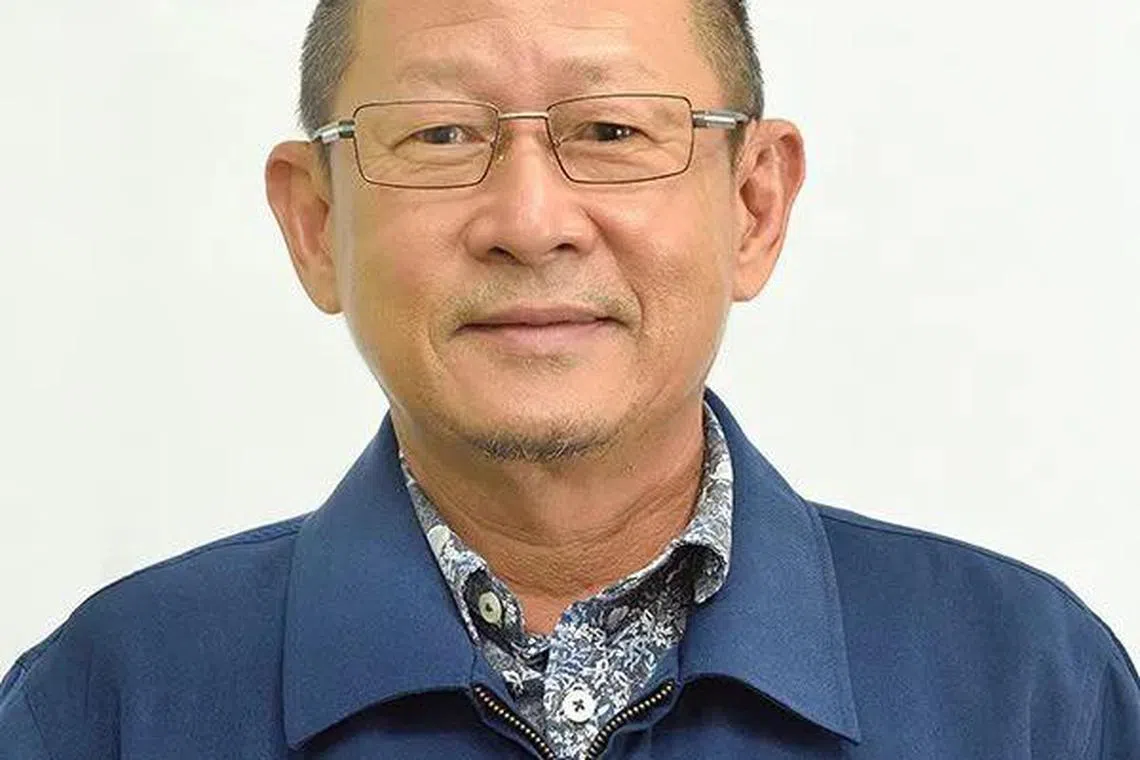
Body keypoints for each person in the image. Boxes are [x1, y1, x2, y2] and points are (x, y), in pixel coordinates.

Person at [2, 0, 1137, 756]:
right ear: (315, 223)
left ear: (754, 205)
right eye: (439, 136)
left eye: (611, 129)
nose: (531, 220)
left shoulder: (1026, 689)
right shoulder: (113, 701)